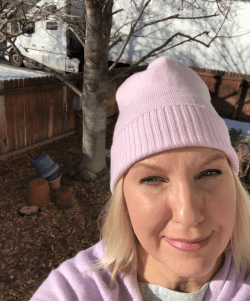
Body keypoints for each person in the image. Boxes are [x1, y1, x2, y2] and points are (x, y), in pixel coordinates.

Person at [29, 56, 250, 300]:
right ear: (123, 198)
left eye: (209, 173)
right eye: (152, 179)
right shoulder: (73, 290)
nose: (188, 215)